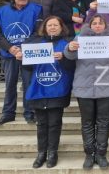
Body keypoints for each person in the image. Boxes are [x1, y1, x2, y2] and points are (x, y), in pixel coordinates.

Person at [64, 15, 109, 170]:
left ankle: (101, 154)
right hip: (84, 86)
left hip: (106, 86)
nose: (97, 25)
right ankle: (89, 154)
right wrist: (69, 48)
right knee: (87, 122)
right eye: (94, 23)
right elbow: (69, 55)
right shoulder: (80, 37)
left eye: (100, 23)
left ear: (105, 26)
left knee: (103, 122)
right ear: (90, 25)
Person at [21, 16, 75, 168]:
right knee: (41, 123)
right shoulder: (36, 44)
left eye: (55, 25)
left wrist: (65, 57)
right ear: (44, 28)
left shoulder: (67, 44)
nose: (52, 27)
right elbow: (27, 68)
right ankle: (41, 153)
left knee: (55, 123)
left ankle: (52, 152)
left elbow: (73, 67)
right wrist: (21, 59)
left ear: (61, 27)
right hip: (39, 89)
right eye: (49, 25)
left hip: (58, 89)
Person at [0, 0, 42, 125]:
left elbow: (38, 31)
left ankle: (30, 113)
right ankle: (8, 113)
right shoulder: (2, 11)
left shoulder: (37, 9)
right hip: (9, 54)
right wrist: (10, 48)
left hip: (29, 54)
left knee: (29, 84)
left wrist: (22, 48)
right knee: (10, 84)